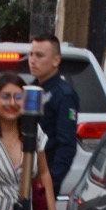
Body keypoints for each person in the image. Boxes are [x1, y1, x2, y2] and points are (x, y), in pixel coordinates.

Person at [0, 72, 55, 210]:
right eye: (5, 97)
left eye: (18, 97)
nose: (12, 103)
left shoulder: (33, 130)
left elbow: (44, 173)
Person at [29, 33, 79, 187]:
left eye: (39, 55)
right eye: (31, 54)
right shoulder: (32, 88)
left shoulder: (64, 95)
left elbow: (66, 145)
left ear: (56, 60)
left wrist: (50, 183)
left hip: (43, 178)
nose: (32, 60)